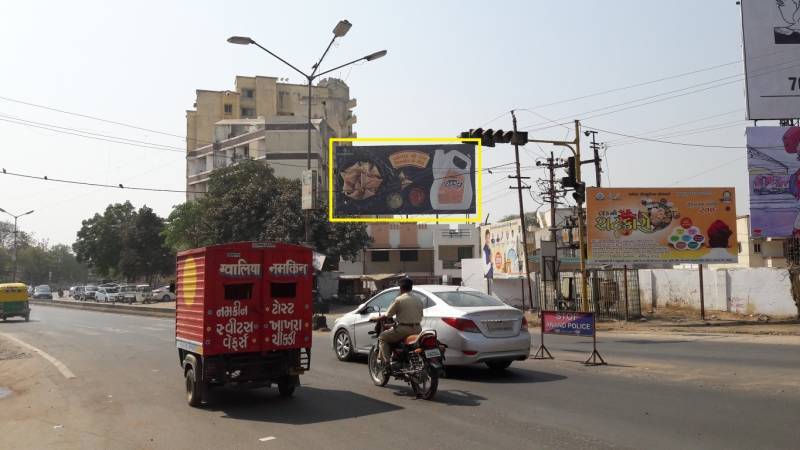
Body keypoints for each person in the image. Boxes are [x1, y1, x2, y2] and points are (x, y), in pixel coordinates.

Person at [375, 278, 423, 365]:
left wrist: (375, 319)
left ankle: (386, 363)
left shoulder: (399, 299)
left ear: (400, 288)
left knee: (382, 337)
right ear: (411, 288)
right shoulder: (418, 299)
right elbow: (420, 315)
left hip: (403, 330)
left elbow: (387, 315)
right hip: (418, 329)